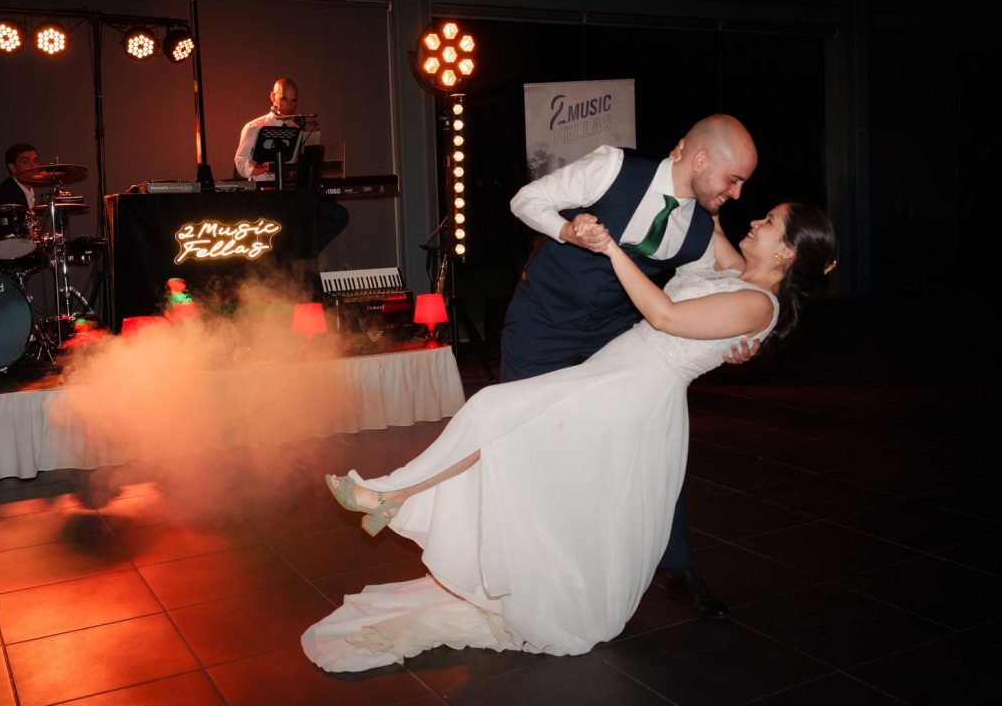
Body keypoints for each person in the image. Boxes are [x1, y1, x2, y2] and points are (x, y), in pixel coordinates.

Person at [306, 202, 837, 671]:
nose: (756, 220)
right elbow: (709, 212)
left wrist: (611, 249)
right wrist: (701, 181)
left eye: (770, 221)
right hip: (615, 372)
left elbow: (666, 314)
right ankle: (409, 503)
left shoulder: (759, 305)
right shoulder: (739, 274)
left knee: (497, 412)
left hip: (635, 393)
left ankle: (393, 493)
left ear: (788, 251)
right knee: (530, 455)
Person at [502, 114, 759, 619]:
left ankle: (678, 567)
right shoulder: (613, 167)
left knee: (647, 441)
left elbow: (725, 289)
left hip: (615, 333)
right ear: (700, 159)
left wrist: (737, 338)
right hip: (543, 321)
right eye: (733, 180)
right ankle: (517, 559)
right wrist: (567, 231)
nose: (736, 193)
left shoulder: (699, 228)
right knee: (517, 433)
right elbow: (525, 200)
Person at [234, 78, 349, 251]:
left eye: (294, 100)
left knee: (338, 214)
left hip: (292, 194)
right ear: (273, 97)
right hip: (267, 196)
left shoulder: (295, 129)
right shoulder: (255, 127)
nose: (289, 105)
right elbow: (240, 163)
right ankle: (300, 252)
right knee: (285, 227)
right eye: (284, 99)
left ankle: (305, 252)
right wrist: (260, 168)